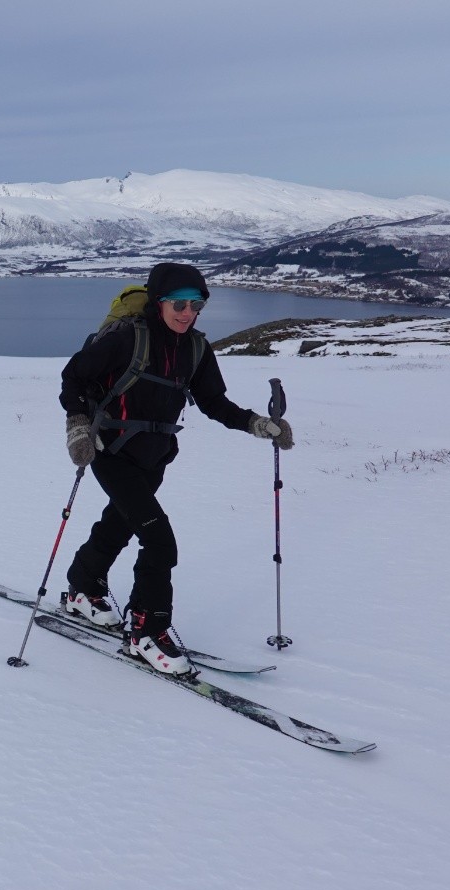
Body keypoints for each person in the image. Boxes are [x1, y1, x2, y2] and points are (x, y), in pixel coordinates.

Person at [58, 262, 293, 675]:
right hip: (111, 451)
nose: (188, 313)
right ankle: (146, 631)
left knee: (120, 523)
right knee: (160, 541)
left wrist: (257, 424)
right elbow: (73, 377)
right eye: (179, 304)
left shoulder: (196, 348)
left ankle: (83, 586)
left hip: (155, 456)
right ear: (159, 301)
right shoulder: (129, 338)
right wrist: (77, 426)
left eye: (196, 305)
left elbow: (214, 402)